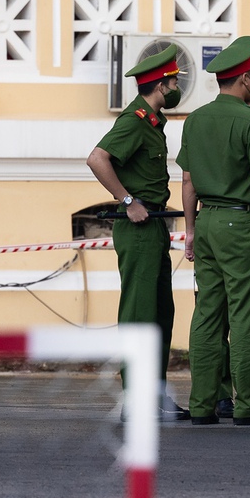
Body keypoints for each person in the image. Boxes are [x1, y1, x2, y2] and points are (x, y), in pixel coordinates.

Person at [176, 36, 250, 426]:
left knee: (208, 314)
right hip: (241, 224)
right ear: (245, 79)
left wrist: (191, 229)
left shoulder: (195, 120)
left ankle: (202, 404)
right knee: (247, 316)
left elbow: (188, 182)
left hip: (207, 220)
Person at [86, 43, 184, 420]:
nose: (177, 88)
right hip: (139, 226)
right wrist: (127, 200)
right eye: (174, 81)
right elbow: (97, 158)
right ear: (161, 85)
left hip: (154, 226)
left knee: (159, 315)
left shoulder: (152, 121)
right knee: (140, 314)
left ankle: (154, 395)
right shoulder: (135, 119)